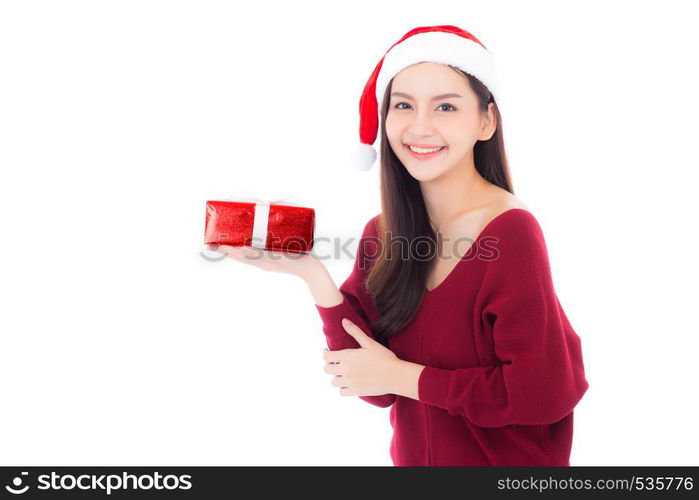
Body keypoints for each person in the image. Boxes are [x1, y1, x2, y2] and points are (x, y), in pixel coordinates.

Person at [210, 25, 589, 466]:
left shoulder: (510, 232)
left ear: (486, 121)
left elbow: (543, 394)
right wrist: (312, 275)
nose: (420, 126)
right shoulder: (383, 234)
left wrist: (409, 378)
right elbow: (375, 388)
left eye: (446, 106)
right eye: (403, 105)